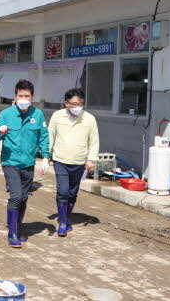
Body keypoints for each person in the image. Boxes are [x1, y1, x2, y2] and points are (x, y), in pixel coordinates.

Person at [0, 80, 50, 249]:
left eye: (27, 96)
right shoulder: (6, 114)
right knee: (16, 196)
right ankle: (12, 233)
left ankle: (18, 227)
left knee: (23, 198)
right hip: (10, 162)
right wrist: (0, 132)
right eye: (20, 95)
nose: (23, 98)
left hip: (28, 163)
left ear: (32, 97)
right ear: (15, 96)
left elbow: (43, 136)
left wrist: (46, 157)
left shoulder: (37, 115)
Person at [48, 88, 99, 237]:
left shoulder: (89, 119)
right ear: (66, 104)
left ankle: (66, 217)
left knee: (72, 193)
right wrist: (46, 155)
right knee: (63, 191)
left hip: (79, 161)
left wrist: (91, 159)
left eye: (80, 104)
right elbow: (50, 136)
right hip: (60, 160)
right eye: (73, 104)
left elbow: (94, 142)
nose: (77, 107)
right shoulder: (57, 116)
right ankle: (62, 222)